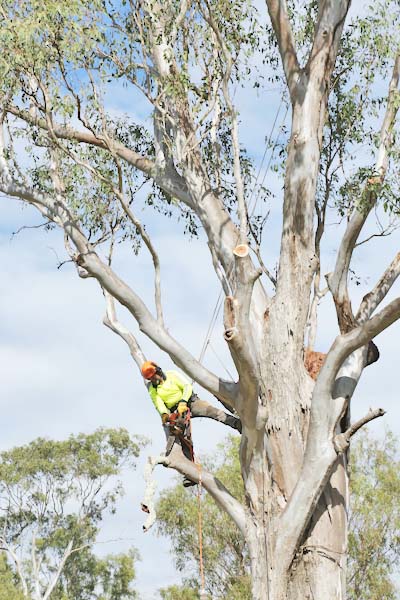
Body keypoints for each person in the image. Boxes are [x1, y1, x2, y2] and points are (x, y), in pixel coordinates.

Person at [141, 361, 241, 486]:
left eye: (154, 376)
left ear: (158, 371)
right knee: (183, 439)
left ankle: (238, 424)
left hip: (190, 402)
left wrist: (183, 401)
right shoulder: (152, 388)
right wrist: (164, 414)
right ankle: (190, 474)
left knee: (214, 413)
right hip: (176, 412)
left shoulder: (172, 375)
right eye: (150, 379)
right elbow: (158, 402)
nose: (154, 380)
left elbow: (187, 386)